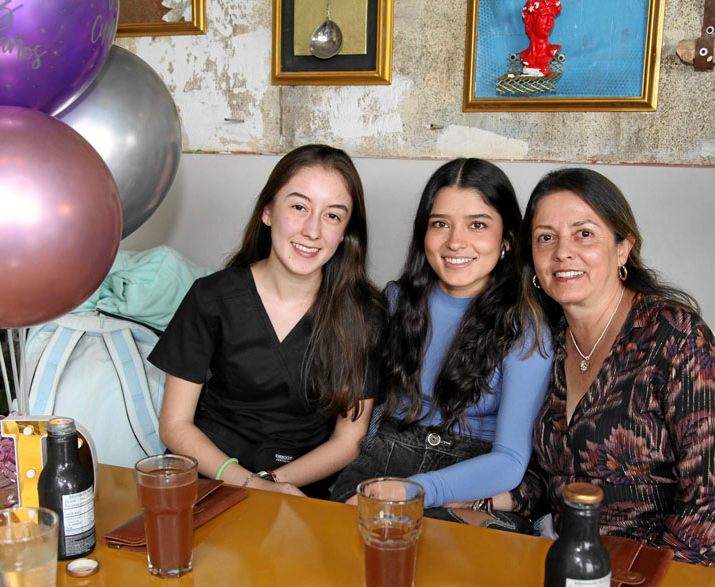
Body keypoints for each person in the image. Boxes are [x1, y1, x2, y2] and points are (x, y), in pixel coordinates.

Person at [500, 167, 714, 565]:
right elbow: (552, 476)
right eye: (546, 237)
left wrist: (641, 575)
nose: (563, 251)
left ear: (622, 248)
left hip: (655, 567)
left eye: (584, 234)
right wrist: (482, 501)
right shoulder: (542, 343)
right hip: (565, 556)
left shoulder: (675, 335)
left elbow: (707, 505)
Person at [149, 144, 386, 499]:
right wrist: (247, 482)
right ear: (268, 212)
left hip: (300, 490)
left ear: (346, 233)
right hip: (208, 478)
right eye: (299, 207)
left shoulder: (365, 315)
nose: (312, 230)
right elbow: (175, 425)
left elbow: (348, 441)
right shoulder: (211, 297)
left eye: (332, 216)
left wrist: (273, 483)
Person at [329, 158, 553, 532]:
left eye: (477, 225)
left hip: (470, 477)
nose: (455, 242)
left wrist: (411, 491)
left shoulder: (525, 328)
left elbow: (510, 460)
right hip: (382, 460)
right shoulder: (396, 302)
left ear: (507, 240)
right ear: (424, 234)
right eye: (440, 224)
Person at [520, 0, 562, 77]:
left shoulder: (551, 51)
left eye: (552, 17)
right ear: (532, 19)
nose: (549, 23)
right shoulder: (524, 55)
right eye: (544, 16)